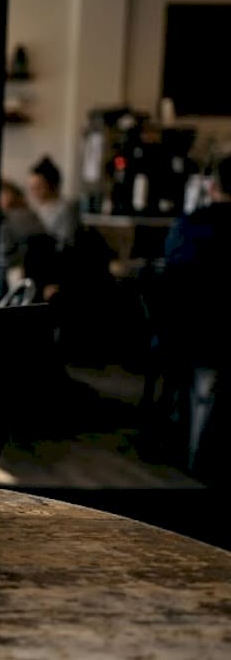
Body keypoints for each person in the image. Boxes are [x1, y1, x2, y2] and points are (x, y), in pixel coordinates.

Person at [160, 156, 231, 485]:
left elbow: (171, 275)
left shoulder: (189, 225)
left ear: (212, 186)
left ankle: (190, 450)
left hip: (190, 334)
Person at [0, 178, 52, 300]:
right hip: (36, 272)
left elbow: (6, 253)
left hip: (23, 271)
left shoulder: (13, 217)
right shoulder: (30, 213)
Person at [26, 155, 79, 251]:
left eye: (38, 187)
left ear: (53, 185)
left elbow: (66, 243)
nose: (33, 192)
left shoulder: (66, 209)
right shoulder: (38, 208)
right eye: (32, 188)